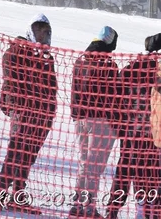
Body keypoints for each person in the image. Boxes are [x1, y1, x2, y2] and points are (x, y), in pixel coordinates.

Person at [0, 14, 57, 214]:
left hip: (41, 114)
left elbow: (51, 85)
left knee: (29, 155)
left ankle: (18, 195)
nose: (42, 36)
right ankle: (1, 195)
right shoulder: (16, 50)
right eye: (38, 31)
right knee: (16, 152)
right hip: (23, 110)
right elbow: (12, 77)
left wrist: (49, 109)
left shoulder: (47, 57)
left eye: (45, 32)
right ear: (31, 31)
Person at [106, 32, 161, 219]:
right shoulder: (157, 70)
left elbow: (117, 97)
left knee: (125, 170)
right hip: (152, 131)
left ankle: (113, 210)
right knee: (151, 173)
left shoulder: (131, 68)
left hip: (131, 130)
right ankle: (148, 211)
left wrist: (119, 124)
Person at [69, 26, 119, 218]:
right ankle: (89, 207)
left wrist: (76, 115)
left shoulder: (80, 60)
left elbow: (74, 90)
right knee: (95, 166)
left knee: (84, 163)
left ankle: (77, 204)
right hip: (100, 121)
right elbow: (113, 96)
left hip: (81, 119)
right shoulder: (109, 64)